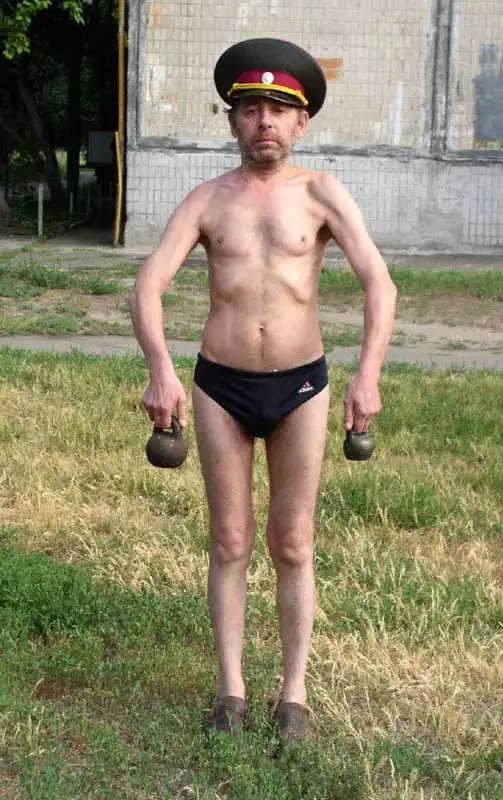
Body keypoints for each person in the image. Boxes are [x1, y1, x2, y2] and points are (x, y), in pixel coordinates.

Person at [129, 37, 397, 745]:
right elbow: (149, 284)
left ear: (301, 123)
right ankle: (230, 692)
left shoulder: (321, 194)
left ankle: (294, 698)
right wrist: (160, 368)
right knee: (229, 540)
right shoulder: (207, 199)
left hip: (300, 386)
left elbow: (378, 282)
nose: (264, 122)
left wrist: (367, 374)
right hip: (220, 386)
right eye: (250, 109)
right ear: (232, 121)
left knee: (293, 541)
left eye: (278, 110)